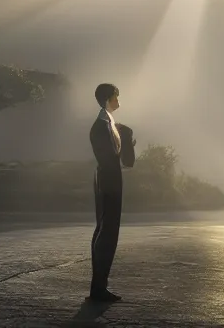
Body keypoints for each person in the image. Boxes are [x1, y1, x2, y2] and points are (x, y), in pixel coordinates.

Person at [88, 83, 135, 302]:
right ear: (108, 98)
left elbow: (126, 160)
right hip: (108, 183)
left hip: (111, 181)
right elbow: (108, 159)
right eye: (116, 96)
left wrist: (126, 143)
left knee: (107, 232)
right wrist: (124, 143)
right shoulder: (100, 127)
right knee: (106, 232)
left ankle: (100, 286)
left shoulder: (111, 124)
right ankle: (98, 288)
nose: (119, 101)